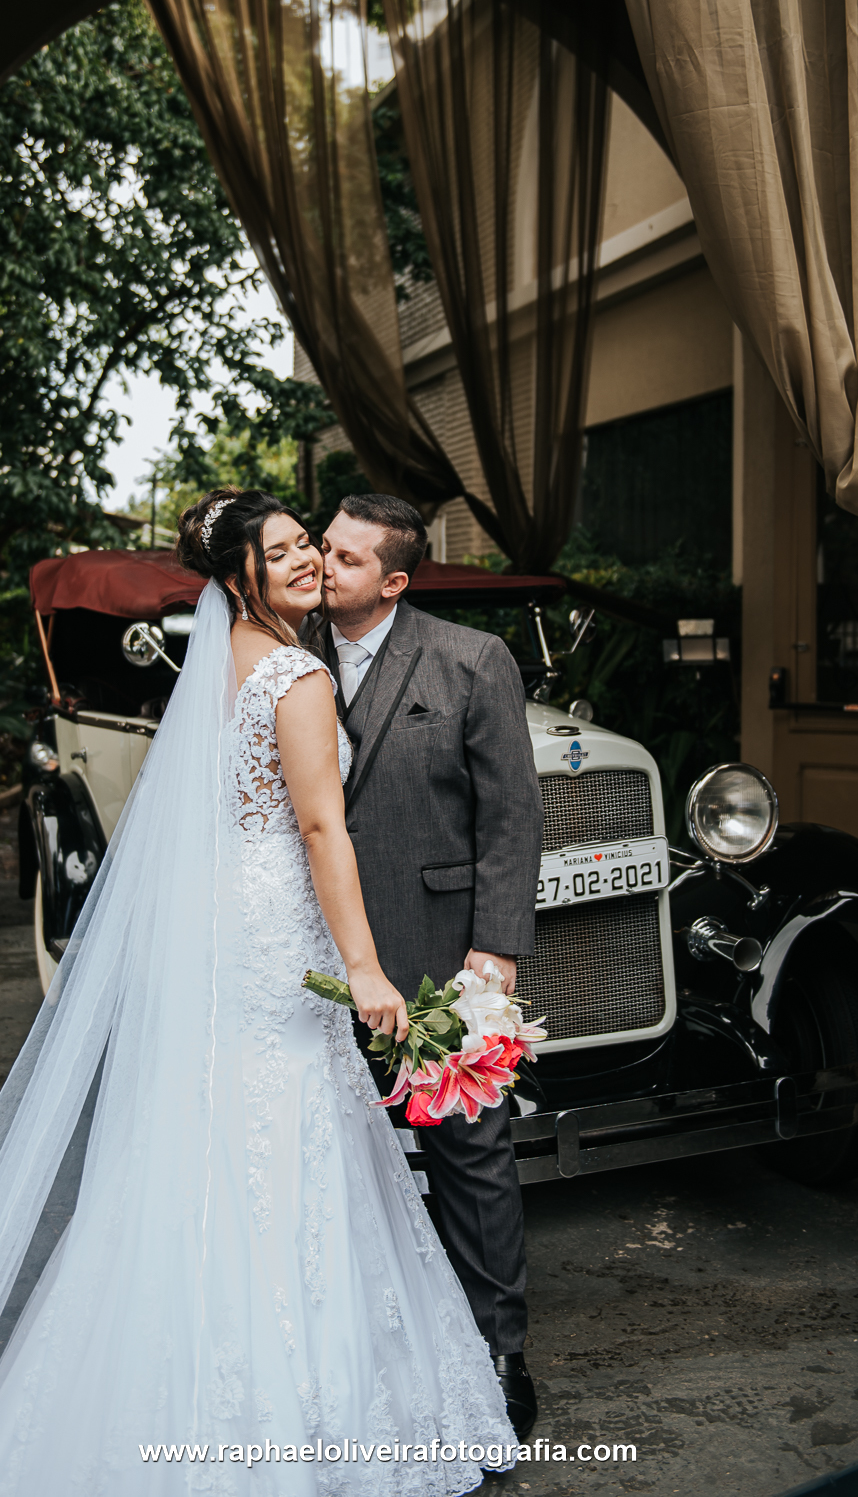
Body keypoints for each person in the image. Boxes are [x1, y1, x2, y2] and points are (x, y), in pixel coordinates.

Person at [0, 489, 516, 1495]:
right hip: (282, 931)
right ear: (240, 574)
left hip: (235, 930)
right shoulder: (295, 673)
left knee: (217, 1143)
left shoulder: (220, 669)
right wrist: (368, 969)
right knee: (293, 1141)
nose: (309, 565)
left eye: (315, 549)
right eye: (289, 551)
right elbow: (323, 831)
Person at [316, 494, 544, 1440]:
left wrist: (493, 952)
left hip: (435, 956)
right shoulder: (282, 658)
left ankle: (500, 1348)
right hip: (311, 957)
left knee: (470, 1155)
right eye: (323, 548)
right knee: (324, 1150)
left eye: (348, 560)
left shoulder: (470, 659)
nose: (324, 568)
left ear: (397, 582)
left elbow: (511, 816)